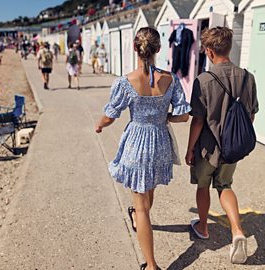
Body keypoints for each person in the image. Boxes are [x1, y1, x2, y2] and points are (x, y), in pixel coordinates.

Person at [95, 27, 190, 270]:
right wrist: (162, 117)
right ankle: (141, 221)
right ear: (158, 49)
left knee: (141, 208)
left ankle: (151, 265)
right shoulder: (171, 79)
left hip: (137, 143)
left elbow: (110, 115)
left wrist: (99, 126)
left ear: (135, 49)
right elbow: (183, 116)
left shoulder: (126, 81)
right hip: (160, 143)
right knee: (149, 191)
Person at [185, 26, 259, 264]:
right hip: (233, 147)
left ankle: (204, 227)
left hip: (207, 147)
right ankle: (237, 230)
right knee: (225, 185)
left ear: (209, 51)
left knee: (203, 186)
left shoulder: (203, 80)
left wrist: (190, 149)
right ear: (229, 47)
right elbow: (251, 115)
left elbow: (197, 120)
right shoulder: (248, 77)